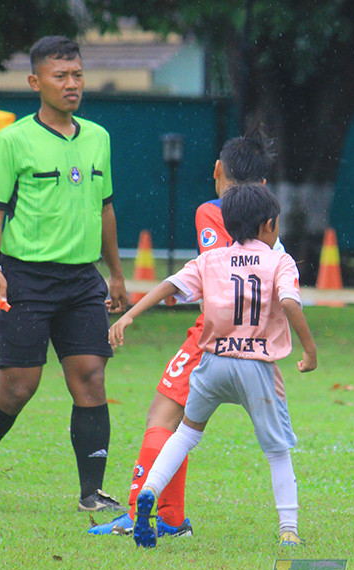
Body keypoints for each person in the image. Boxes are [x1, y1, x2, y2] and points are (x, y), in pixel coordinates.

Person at [0, 35, 129, 513]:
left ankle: (91, 493)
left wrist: (115, 274)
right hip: (25, 277)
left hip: (81, 280)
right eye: (61, 76)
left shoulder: (99, 138)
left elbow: (106, 209)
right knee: (18, 386)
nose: (72, 84)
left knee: (90, 377)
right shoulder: (13, 140)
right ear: (36, 82)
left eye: (77, 75)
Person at [88, 129, 277, 538]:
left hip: (211, 337)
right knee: (268, 443)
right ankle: (173, 518)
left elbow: (218, 267)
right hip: (258, 342)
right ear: (264, 185)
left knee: (162, 417)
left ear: (217, 171)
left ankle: (149, 511)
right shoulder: (269, 225)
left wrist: (183, 293)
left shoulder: (211, 209)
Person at [109, 183, 317, 549]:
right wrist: (309, 350)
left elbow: (169, 286)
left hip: (212, 363)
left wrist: (129, 316)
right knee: (277, 450)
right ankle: (288, 528)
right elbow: (289, 302)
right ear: (269, 225)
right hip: (256, 368)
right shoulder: (279, 261)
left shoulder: (211, 259)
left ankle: (149, 492)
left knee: (186, 434)